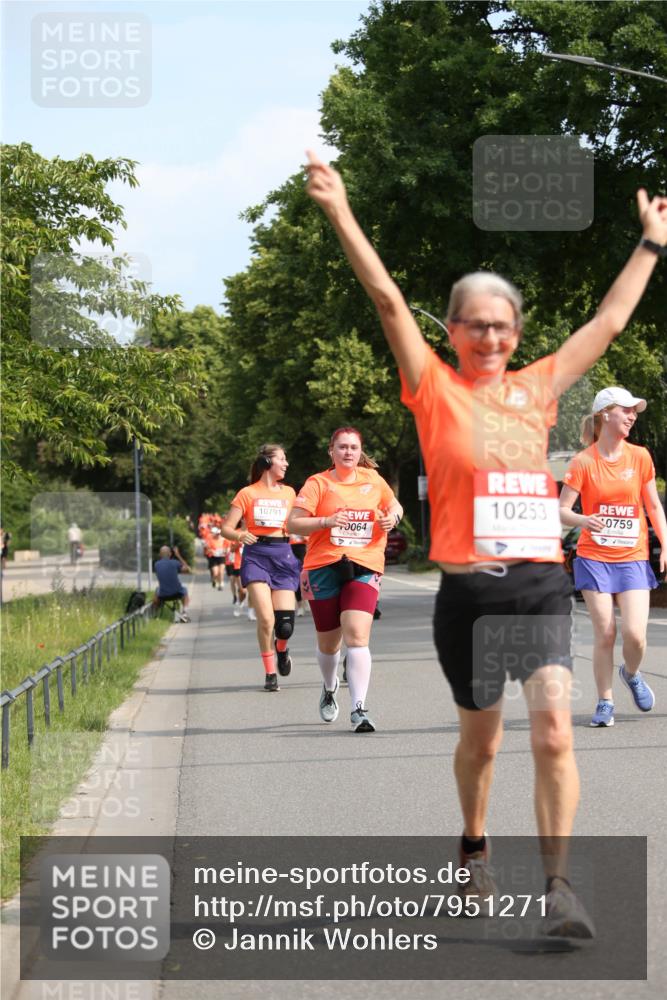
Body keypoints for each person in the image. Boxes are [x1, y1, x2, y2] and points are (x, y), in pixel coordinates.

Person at [305, 149, 667, 937]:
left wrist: (648, 243)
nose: (491, 337)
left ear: (515, 332)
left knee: (551, 728)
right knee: (483, 741)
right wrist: (338, 210)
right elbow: (388, 300)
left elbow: (605, 324)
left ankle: (559, 889)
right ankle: (473, 843)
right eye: (476, 325)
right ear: (458, 329)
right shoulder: (432, 388)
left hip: (537, 582)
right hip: (467, 592)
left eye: (503, 326)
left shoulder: (537, 388)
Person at [560, 387, 666, 728]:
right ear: (606, 414)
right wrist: (583, 519)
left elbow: (652, 506)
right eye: (627, 409)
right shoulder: (583, 462)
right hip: (594, 558)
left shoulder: (640, 457)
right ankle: (605, 702)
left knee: (635, 634)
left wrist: (666, 544)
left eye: (635, 410)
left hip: (632, 557)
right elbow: (562, 511)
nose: (633, 415)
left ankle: (631, 674)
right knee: (605, 633)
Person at [287, 427, 403, 733]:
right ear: (331, 451)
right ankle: (329, 686)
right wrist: (326, 521)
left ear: (360, 451)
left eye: (353, 447)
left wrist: (394, 517)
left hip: (364, 564)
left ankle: (359, 708)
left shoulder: (373, 480)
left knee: (356, 634)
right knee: (329, 643)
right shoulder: (318, 483)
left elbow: (395, 506)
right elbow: (294, 522)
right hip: (323, 565)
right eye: (342, 447)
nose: (348, 452)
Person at [221, 444, 300, 691]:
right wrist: (239, 536)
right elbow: (226, 528)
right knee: (266, 619)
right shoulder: (247, 493)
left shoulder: (289, 493)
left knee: (285, 626)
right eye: (282, 459)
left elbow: (298, 521)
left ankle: (282, 649)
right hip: (256, 556)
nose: (286, 464)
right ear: (268, 463)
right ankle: (270, 673)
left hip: (283, 556)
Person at [152, 544, 191, 622]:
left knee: (157, 589)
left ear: (160, 555)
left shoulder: (156, 564)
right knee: (185, 590)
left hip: (163, 595)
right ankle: (184, 612)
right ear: (170, 554)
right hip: (177, 593)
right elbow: (188, 569)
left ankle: (155, 613)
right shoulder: (175, 563)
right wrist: (178, 555)